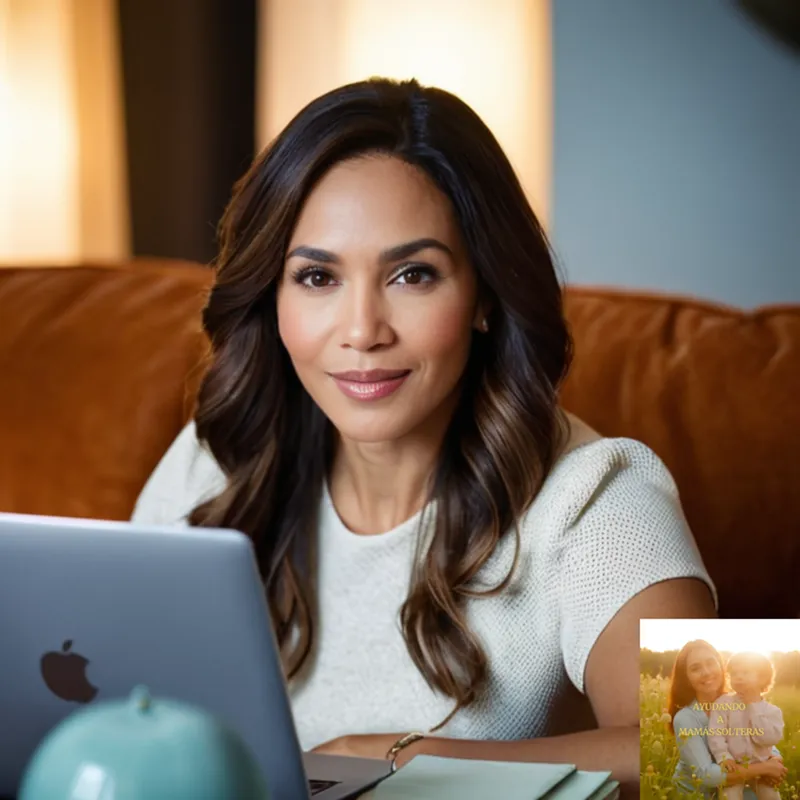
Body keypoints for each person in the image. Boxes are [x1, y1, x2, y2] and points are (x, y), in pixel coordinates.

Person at [131, 77, 718, 793]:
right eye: (317, 277)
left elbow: (746, 757)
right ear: (272, 297)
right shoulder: (216, 456)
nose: (361, 332)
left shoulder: (599, 492)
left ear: (484, 296)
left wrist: (410, 764)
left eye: (412, 274)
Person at [669, 641, 786, 797]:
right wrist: (765, 768)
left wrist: (775, 759)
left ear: (721, 666)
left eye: (711, 663)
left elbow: (760, 738)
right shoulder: (685, 718)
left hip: (738, 781)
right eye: (695, 668)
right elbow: (706, 775)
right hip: (699, 793)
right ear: (687, 677)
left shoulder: (740, 701)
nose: (706, 672)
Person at [707, 652, 785, 800]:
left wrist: (753, 707)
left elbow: (768, 739)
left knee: (772, 796)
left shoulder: (772, 711)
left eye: (745, 672)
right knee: (729, 796)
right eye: (734, 673)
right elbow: (716, 733)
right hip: (734, 767)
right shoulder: (723, 704)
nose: (739, 677)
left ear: (762, 678)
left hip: (762, 768)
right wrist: (724, 757)